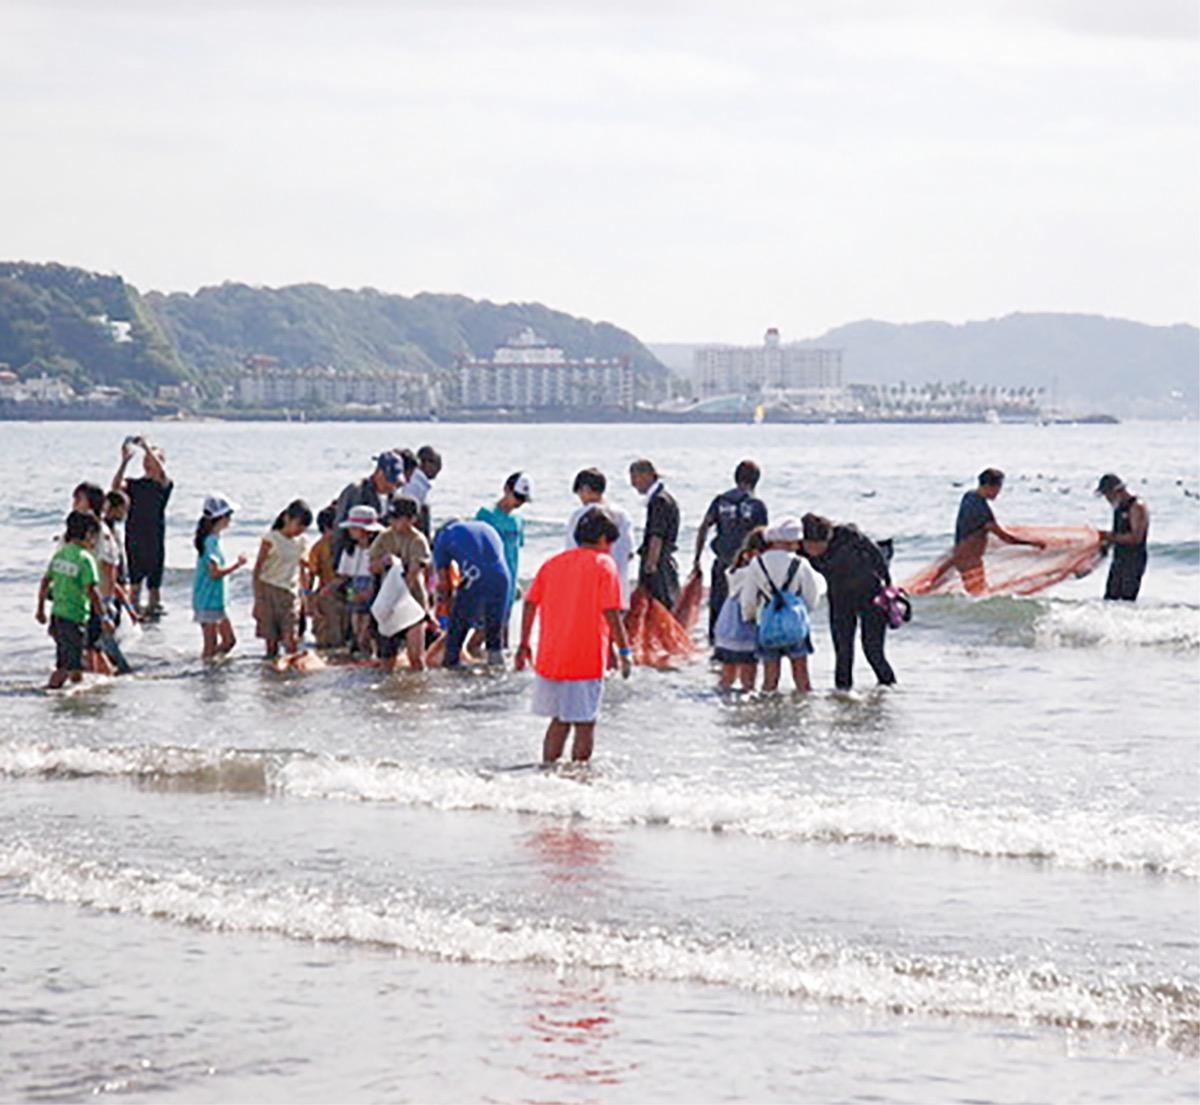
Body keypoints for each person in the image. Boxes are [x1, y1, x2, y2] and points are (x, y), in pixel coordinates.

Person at [515, 507, 632, 764]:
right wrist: (624, 652)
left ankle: (548, 770)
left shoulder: (552, 563)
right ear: (602, 538)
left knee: (558, 720)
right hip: (585, 658)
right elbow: (611, 613)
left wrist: (523, 643)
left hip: (552, 656)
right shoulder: (604, 565)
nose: (610, 549)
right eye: (610, 543)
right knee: (585, 724)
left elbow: (530, 603)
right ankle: (579, 777)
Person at [801, 512, 896, 692]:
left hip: (871, 596)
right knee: (843, 652)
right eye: (810, 546)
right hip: (839, 600)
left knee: (873, 651)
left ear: (828, 538)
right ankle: (843, 695)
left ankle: (889, 691)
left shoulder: (848, 535)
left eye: (819, 545)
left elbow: (877, 556)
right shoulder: (800, 548)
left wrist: (888, 586)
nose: (815, 551)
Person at [740, 519, 821, 693]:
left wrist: (750, 616)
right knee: (802, 676)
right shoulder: (800, 563)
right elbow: (812, 595)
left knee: (770, 678)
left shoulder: (757, 563)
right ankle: (804, 706)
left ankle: (769, 708)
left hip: (768, 624)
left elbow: (748, 598)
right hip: (795, 625)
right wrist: (802, 612)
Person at [692, 460, 769, 642]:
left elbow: (704, 527)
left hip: (722, 560)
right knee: (745, 606)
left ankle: (715, 642)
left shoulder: (721, 500)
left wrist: (697, 557)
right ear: (756, 481)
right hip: (746, 564)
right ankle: (743, 643)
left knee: (718, 605)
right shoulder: (757, 505)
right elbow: (762, 537)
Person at [36, 510, 112, 689]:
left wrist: (40, 609)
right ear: (88, 534)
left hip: (57, 616)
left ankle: (67, 693)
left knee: (67, 662)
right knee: (70, 668)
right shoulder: (85, 559)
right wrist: (104, 618)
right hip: (74, 619)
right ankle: (64, 694)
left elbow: (45, 582)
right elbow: (92, 592)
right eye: (94, 537)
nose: (94, 542)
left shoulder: (61, 554)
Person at [432, 519, 512, 668]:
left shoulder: (444, 536)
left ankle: (452, 670)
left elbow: (444, 583)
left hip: (476, 577)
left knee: (455, 638)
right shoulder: (485, 526)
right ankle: (499, 675)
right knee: (494, 640)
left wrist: (449, 607)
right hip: (503, 579)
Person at [952, 468, 1043, 593]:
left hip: (963, 556)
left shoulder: (969, 496)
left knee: (978, 593)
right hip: (969, 560)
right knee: (977, 594)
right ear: (989, 486)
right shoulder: (981, 509)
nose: (998, 493)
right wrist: (1032, 543)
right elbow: (1005, 537)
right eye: (997, 489)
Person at [370, 496, 434, 671]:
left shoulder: (418, 540)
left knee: (416, 658)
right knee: (387, 659)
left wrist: (399, 597)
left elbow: (414, 572)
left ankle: (419, 686)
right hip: (388, 602)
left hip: (413, 602)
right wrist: (383, 562)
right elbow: (372, 566)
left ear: (411, 519)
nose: (392, 522)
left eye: (397, 518)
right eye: (391, 518)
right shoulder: (384, 537)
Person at [111, 436, 173, 615]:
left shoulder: (163, 485)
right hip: (134, 538)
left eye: (152, 459)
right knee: (135, 585)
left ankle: (154, 617)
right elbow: (115, 488)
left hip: (154, 539)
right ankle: (134, 616)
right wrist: (124, 462)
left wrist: (146, 447)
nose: (148, 463)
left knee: (154, 586)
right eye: (145, 459)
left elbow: (160, 473)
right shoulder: (134, 484)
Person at [566, 468, 635, 611]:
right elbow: (629, 552)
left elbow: (571, 552)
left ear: (586, 489)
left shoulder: (579, 515)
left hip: (587, 587)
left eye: (579, 492)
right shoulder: (622, 515)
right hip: (617, 586)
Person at [252, 499, 313, 660]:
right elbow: (257, 570)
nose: (300, 530)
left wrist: (306, 596)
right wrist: (258, 601)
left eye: (304, 528)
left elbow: (303, 568)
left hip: (289, 593)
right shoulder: (271, 539)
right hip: (268, 591)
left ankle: (292, 671)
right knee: (271, 643)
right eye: (298, 525)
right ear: (287, 518)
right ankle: (271, 673)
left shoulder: (301, 542)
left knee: (291, 639)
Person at [192, 495, 247, 660]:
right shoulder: (210, 542)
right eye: (229, 516)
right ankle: (206, 669)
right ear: (221, 518)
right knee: (211, 644)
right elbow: (214, 572)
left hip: (216, 600)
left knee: (229, 641)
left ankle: (209, 666)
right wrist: (237, 565)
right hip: (207, 600)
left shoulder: (214, 540)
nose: (230, 519)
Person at [713, 527, 768, 691]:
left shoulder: (736, 571)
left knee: (727, 674)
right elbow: (751, 603)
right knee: (748, 677)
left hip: (727, 626)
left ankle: (722, 699)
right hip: (744, 626)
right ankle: (745, 701)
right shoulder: (753, 573)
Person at [475, 472, 532, 624]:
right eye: (517, 497)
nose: (519, 502)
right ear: (506, 489)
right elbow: (476, 547)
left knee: (504, 625)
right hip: (490, 579)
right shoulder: (487, 514)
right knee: (484, 627)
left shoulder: (518, 519)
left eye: (523, 499)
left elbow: (516, 548)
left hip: (510, 580)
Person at [333, 504, 385, 656]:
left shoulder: (377, 551)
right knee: (357, 628)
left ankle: (371, 654)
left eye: (354, 528)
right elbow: (344, 576)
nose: (351, 531)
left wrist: (369, 592)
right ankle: (364, 655)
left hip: (373, 591)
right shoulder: (350, 551)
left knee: (367, 630)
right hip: (354, 591)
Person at [629, 458, 680, 611]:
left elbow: (657, 535)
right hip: (663, 560)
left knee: (658, 606)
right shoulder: (663, 498)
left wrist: (651, 564)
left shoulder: (659, 501)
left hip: (659, 563)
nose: (633, 484)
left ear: (647, 475)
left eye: (635, 478)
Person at [332, 452, 404, 560]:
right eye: (388, 480)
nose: (391, 485)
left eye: (395, 482)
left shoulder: (395, 499)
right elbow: (339, 530)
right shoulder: (356, 492)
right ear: (378, 472)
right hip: (353, 558)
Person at [1096, 473, 1150, 601]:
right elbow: (1118, 532)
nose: (1107, 498)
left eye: (1107, 494)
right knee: (1110, 599)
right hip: (1119, 558)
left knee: (1127, 599)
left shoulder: (1137, 506)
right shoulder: (1118, 507)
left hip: (1133, 560)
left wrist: (1108, 536)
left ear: (1116, 491)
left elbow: (1136, 538)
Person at [306, 504, 348, 648]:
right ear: (326, 528)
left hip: (344, 593)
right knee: (327, 634)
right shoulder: (318, 548)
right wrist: (309, 600)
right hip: (326, 594)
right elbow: (311, 575)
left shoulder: (345, 545)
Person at [400, 445, 442, 535]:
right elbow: (406, 512)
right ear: (425, 463)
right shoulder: (415, 483)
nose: (438, 469)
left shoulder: (419, 482)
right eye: (436, 463)